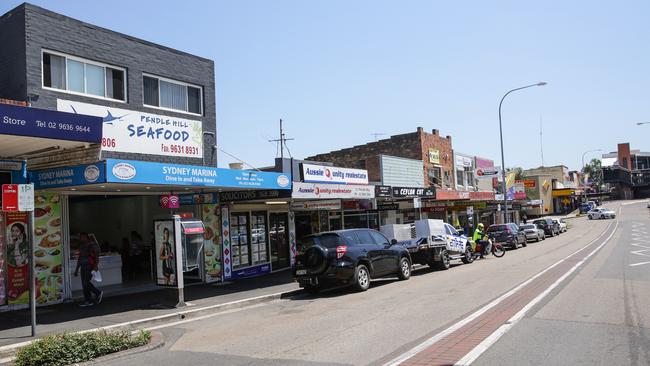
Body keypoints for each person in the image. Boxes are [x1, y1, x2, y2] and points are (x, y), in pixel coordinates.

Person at [74, 233, 103, 307]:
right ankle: (88, 300)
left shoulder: (92, 245)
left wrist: (96, 266)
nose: (80, 239)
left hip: (90, 266)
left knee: (86, 282)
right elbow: (80, 258)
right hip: (83, 267)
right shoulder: (81, 246)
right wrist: (77, 269)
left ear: (86, 237)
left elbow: (96, 255)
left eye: (82, 237)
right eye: (80, 237)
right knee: (84, 285)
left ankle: (97, 292)